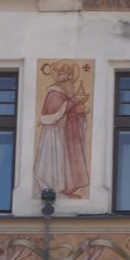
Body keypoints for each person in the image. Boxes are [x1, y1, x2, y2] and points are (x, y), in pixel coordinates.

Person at [33, 63, 91, 198]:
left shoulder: (66, 94)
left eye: (71, 81)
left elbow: (67, 111)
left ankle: (66, 188)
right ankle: (55, 188)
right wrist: (74, 101)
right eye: (69, 81)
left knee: (69, 161)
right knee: (59, 159)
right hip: (57, 135)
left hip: (69, 132)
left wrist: (81, 112)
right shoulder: (54, 94)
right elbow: (55, 114)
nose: (71, 84)